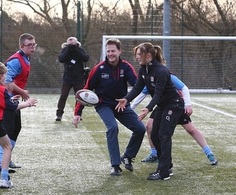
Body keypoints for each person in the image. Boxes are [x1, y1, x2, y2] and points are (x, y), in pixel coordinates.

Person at [73, 38, 146, 176]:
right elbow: (85, 91)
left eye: (113, 51)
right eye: (108, 51)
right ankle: (115, 165)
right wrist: (78, 113)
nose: (110, 54)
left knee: (140, 129)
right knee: (112, 128)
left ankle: (128, 156)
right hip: (104, 105)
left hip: (121, 104)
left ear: (119, 51)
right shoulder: (98, 69)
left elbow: (137, 84)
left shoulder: (126, 67)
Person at [116, 42, 185, 180]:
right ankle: (167, 165)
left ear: (148, 55)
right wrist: (126, 99)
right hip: (163, 105)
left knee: (164, 135)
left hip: (174, 105)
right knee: (154, 135)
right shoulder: (143, 69)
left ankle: (164, 172)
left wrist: (148, 108)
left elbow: (158, 94)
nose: (137, 57)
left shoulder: (161, 71)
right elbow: (137, 88)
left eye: (139, 54)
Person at [131, 76, 218, 165]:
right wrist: (130, 109)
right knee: (149, 126)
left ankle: (209, 153)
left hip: (175, 105)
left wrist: (188, 105)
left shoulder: (166, 75)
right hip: (162, 106)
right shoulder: (150, 78)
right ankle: (154, 154)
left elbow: (184, 88)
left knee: (191, 129)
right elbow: (143, 93)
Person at [0, 33, 36, 171]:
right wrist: (22, 92)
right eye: (29, 45)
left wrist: (20, 91)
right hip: (7, 100)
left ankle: (6, 158)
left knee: (16, 128)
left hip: (13, 99)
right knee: (7, 130)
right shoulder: (16, 60)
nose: (33, 47)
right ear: (21, 46)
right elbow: (7, 81)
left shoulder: (25, 58)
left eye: (34, 44)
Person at [56, 37, 89, 121]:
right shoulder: (65, 50)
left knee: (79, 97)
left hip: (79, 77)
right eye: (69, 45)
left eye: (73, 44)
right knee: (63, 95)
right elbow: (61, 59)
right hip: (67, 77)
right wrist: (68, 49)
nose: (71, 46)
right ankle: (59, 114)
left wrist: (76, 49)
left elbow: (86, 58)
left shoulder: (80, 49)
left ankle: (78, 114)